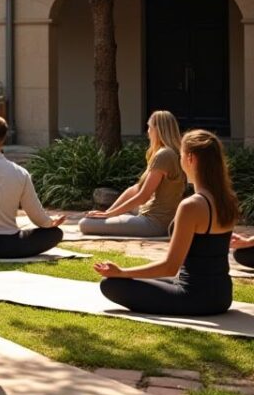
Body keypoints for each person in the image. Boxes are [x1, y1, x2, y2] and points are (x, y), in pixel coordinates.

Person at [95, 129, 237, 315]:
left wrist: (121, 272)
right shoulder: (227, 200)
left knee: (111, 284)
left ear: (190, 158)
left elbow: (170, 267)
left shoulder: (191, 206)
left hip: (195, 297)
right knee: (136, 279)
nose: (180, 160)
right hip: (222, 295)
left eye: (181, 155)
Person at [0, 115, 66, 259]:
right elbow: (37, 216)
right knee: (55, 233)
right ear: (3, 139)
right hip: (11, 245)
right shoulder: (20, 172)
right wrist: (51, 222)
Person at [80, 110, 186, 237]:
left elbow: (143, 196)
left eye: (150, 127)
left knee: (85, 223)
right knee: (114, 213)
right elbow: (136, 189)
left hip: (155, 223)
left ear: (159, 130)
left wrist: (109, 214)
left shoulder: (164, 155)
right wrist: (108, 212)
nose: (148, 132)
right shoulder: (172, 153)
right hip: (156, 215)